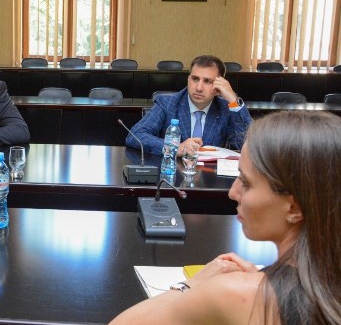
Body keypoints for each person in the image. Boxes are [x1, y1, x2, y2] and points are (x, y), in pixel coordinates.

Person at [111, 111, 341, 324]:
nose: (233, 192)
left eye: (246, 182)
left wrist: (193, 285)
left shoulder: (236, 295)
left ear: (294, 208)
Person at [127, 55, 251, 156]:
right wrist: (174, 148)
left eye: (207, 81)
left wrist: (233, 99)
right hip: (173, 174)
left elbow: (249, 146)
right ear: (188, 79)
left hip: (210, 176)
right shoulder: (167, 103)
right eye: (195, 79)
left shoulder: (227, 108)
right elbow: (135, 136)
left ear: (219, 85)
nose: (199, 88)